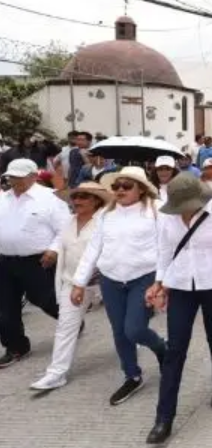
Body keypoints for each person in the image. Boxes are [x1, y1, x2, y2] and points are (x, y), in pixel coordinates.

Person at [143, 173, 212, 444]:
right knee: (175, 349)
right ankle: (163, 418)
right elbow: (164, 251)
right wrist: (159, 283)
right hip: (180, 286)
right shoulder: (167, 217)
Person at [71, 166, 167, 405]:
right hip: (111, 279)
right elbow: (93, 248)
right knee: (119, 332)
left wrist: (162, 282)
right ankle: (132, 375)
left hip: (144, 277)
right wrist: (79, 282)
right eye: (116, 186)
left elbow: (167, 247)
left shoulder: (156, 211)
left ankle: (162, 348)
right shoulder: (105, 214)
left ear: (141, 189)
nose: (120, 190)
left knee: (133, 329)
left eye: (126, 186)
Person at [29, 182, 111, 390]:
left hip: (104, 283)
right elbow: (60, 240)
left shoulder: (105, 221)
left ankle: (139, 344)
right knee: (65, 327)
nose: (77, 201)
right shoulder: (68, 221)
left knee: (125, 326)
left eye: (84, 197)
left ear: (96, 200)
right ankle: (56, 373)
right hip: (70, 281)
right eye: (75, 197)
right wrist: (53, 250)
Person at [0, 159, 70, 368]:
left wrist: (54, 250)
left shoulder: (49, 199)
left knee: (44, 299)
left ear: (33, 176)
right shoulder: (4, 199)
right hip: (5, 260)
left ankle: (70, 320)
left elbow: (65, 228)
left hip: (39, 260)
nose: (14, 181)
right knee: (5, 307)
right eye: (11, 177)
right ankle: (16, 346)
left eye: (19, 177)